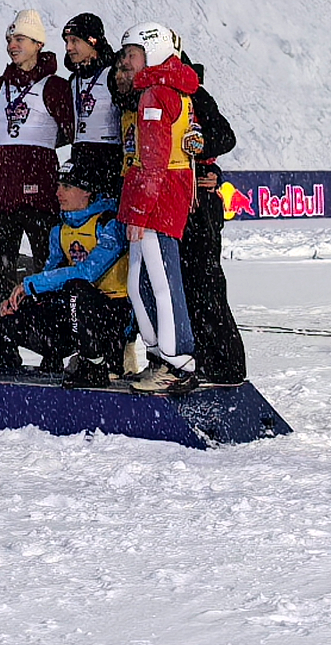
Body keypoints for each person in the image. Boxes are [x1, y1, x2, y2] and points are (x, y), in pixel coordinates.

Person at [0, 9, 74, 365]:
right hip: (2, 191)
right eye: (9, 40)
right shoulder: (0, 86)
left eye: (19, 39)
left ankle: (52, 347)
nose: (12, 45)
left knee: (46, 271)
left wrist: (37, 156)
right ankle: (4, 343)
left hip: (40, 193)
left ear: (37, 44)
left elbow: (69, 130)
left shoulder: (55, 85)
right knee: (0, 272)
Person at [114, 21, 202, 395]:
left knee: (160, 284)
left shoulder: (155, 95)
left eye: (132, 54)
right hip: (160, 197)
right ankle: (161, 356)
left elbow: (152, 162)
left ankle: (177, 361)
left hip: (156, 201)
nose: (126, 62)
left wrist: (139, 213)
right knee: (140, 284)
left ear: (152, 53)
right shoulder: (167, 90)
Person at [0, 161, 133, 388]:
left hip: (112, 314)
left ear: (87, 192)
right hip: (77, 313)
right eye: (58, 186)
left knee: (76, 288)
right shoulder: (60, 229)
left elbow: (87, 273)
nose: (58, 192)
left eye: (67, 187)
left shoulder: (109, 224)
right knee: (17, 309)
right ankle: (52, 356)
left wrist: (31, 284)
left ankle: (97, 363)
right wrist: (25, 297)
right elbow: (50, 276)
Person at [177, 51, 247, 384]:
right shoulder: (150, 95)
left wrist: (200, 151)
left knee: (207, 286)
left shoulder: (195, 95)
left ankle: (229, 363)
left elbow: (225, 137)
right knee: (186, 289)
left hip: (200, 207)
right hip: (176, 204)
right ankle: (201, 358)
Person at [62, 13, 122, 196]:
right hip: (80, 155)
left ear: (92, 41)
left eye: (74, 41)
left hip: (110, 158)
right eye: (66, 42)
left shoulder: (113, 74)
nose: (69, 48)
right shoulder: (74, 79)